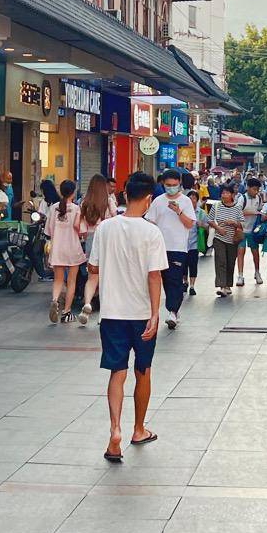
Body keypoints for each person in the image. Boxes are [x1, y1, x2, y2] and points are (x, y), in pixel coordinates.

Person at [89, 173, 168, 462]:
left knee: (117, 373)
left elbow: (92, 268)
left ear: (124, 195)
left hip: (112, 313)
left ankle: (114, 432)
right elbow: (155, 276)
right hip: (141, 314)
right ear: (148, 199)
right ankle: (138, 429)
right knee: (143, 370)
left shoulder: (105, 228)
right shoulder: (152, 233)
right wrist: (155, 314)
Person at [147, 169, 198, 328]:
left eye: (174, 185)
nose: (171, 188)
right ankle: (162, 310)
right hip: (158, 248)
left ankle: (173, 312)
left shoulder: (185, 201)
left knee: (174, 281)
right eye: (168, 185)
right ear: (163, 184)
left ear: (179, 184)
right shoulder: (157, 201)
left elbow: (190, 224)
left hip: (178, 248)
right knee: (160, 279)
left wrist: (178, 211)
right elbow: (150, 223)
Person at [47, 180, 87, 324]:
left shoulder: (53, 208)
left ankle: (55, 300)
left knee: (58, 280)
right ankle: (66, 312)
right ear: (73, 192)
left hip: (57, 248)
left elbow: (49, 230)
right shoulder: (76, 209)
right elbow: (81, 230)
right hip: (72, 249)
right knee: (71, 281)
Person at [76, 174, 114, 320]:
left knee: (92, 277)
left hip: (90, 240)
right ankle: (103, 311)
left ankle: (87, 303)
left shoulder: (84, 201)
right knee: (106, 276)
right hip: (106, 238)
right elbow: (115, 217)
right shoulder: (108, 201)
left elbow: (80, 224)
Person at [209, 181, 245, 299]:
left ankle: (228, 285)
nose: (224, 195)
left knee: (230, 262)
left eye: (226, 193)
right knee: (221, 261)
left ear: (232, 195)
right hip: (219, 238)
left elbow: (242, 223)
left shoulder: (237, 208)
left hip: (232, 239)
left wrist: (234, 223)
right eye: (223, 193)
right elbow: (210, 220)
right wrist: (218, 228)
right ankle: (222, 286)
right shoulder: (216, 206)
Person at [240, 179, 267, 286]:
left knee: (255, 252)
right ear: (248, 187)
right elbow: (238, 212)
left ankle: (257, 272)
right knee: (241, 252)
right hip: (242, 229)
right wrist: (252, 212)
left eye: (257, 190)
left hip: (254, 230)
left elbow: (261, 210)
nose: (256, 192)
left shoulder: (259, 198)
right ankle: (240, 275)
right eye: (254, 189)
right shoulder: (242, 198)